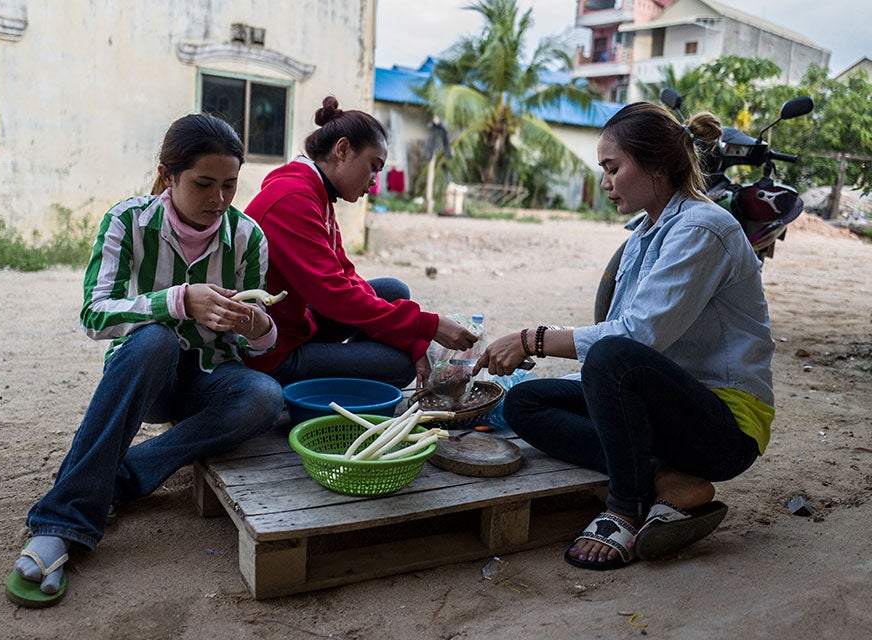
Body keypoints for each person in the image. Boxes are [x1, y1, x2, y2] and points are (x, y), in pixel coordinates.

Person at [474, 102, 775, 570]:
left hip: (723, 426)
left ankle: (625, 507)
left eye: (613, 168)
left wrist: (532, 339)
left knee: (615, 355)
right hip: (666, 410)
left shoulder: (703, 228)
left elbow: (636, 338)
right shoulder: (645, 233)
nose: (605, 181)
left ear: (656, 164)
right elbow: (618, 333)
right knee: (525, 404)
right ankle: (667, 481)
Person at [5, 114, 284, 607]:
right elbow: (95, 314)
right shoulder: (127, 221)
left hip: (209, 380)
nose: (218, 199)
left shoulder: (248, 237)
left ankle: (116, 480)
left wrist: (258, 327)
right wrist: (177, 302)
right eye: (203, 183)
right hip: (145, 380)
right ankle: (63, 520)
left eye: (229, 185)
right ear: (166, 175)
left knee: (263, 396)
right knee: (155, 340)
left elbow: (252, 343)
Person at [244, 96, 477, 389]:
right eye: (373, 166)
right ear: (342, 150)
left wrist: (415, 343)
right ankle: (299, 386)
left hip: (295, 323)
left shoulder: (317, 195)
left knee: (393, 290)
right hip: (272, 352)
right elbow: (335, 296)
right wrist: (429, 326)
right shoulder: (294, 199)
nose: (374, 181)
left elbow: (346, 276)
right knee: (398, 366)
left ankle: (351, 361)